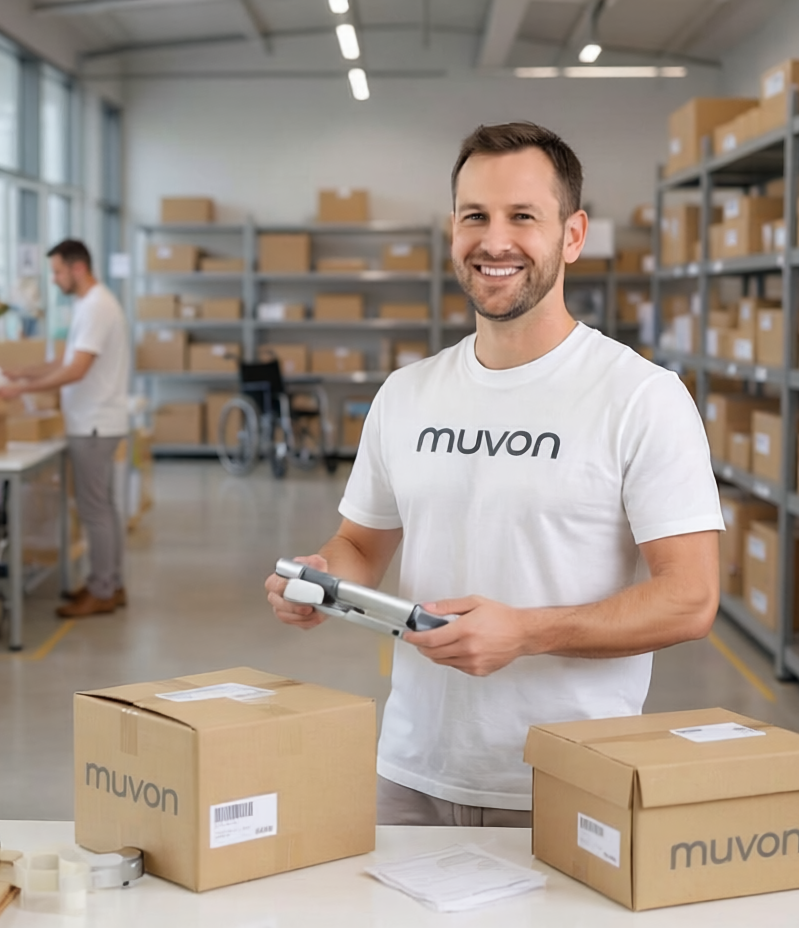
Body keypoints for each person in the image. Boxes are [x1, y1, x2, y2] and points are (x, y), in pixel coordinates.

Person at [264, 122, 723, 828]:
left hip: (565, 778)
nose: (494, 240)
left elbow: (690, 599)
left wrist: (528, 632)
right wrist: (320, 577)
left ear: (572, 235)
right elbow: (362, 544)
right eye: (475, 216)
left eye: (523, 217)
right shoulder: (407, 393)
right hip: (409, 770)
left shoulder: (640, 396)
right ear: (452, 230)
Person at [0, 239, 129, 618]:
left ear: (77, 268)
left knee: (95, 511)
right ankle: (110, 584)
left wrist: (22, 389)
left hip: (93, 425)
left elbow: (76, 370)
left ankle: (102, 589)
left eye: (56, 271)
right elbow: (66, 359)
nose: (53, 280)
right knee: (103, 508)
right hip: (95, 422)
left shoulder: (97, 306)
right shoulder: (90, 305)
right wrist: (23, 371)